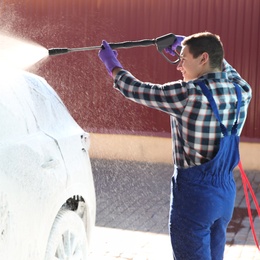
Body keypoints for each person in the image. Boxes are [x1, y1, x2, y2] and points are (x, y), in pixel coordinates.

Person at [98, 32, 252, 259]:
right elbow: (223, 68)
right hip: (226, 195)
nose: (179, 66)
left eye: (183, 59)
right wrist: (188, 43)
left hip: (195, 199)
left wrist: (113, 65)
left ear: (203, 59)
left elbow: (137, 89)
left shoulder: (188, 93)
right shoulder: (242, 91)